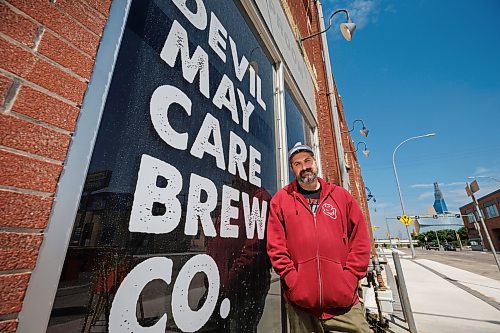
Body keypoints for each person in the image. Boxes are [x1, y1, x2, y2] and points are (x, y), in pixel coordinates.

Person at [267, 142, 371, 333]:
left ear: (315, 163)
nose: (304, 167)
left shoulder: (341, 196)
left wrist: (350, 278)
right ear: (292, 169)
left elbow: (361, 241)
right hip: (301, 306)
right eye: (297, 163)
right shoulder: (281, 200)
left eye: (307, 161)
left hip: (344, 304)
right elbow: (276, 247)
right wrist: (293, 281)